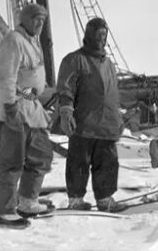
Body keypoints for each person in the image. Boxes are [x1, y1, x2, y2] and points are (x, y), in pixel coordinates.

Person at [0, 3, 54, 228]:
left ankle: (27, 201)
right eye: (36, 19)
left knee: (41, 155)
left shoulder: (31, 41)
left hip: (30, 106)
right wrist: (10, 109)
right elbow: (6, 78)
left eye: (43, 20)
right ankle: (6, 212)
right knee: (10, 161)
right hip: (14, 108)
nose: (40, 23)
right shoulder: (13, 40)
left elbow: (29, 80)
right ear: (25, 19)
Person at [56, 17, 126, 212]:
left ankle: (105, 199)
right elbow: (65, 88)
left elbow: (113, 94)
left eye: (104, 35)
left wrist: (118, 118)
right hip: (83, 123)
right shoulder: (74, 60)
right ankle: (76, 200)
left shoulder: (109, 64)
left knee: (107, 163)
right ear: (89, 35)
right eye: (98, 35)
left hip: (106, 125)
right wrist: (66, 111)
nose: (101, 39)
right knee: (79, 162)